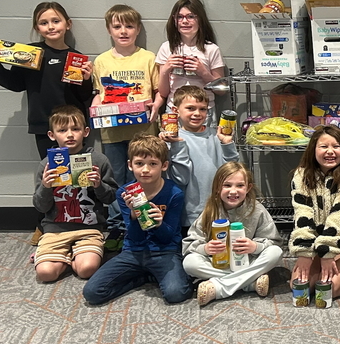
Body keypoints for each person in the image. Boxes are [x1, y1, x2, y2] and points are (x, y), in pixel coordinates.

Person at [82, 135, 192, 305]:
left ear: (164, 166)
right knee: (92, 292)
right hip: (133, 251)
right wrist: (134, 215)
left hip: (164, 251)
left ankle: (150, 273)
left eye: (153, 164)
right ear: (130, 165)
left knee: (176, 294)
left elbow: (168, 237)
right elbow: (135, 237)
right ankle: (142, 278)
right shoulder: (124, 193)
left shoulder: (173, 193)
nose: (145, 170)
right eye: (139, 163)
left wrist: (159, 224)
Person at [92, 4, 162, 249]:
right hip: (111, 133)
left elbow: (157, 92)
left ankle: (145, 223)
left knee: (143, 178)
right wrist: (95, 109)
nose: (123, 31)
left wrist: (155, 105)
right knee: (115, 180)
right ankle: (118, 227)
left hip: (143, 134)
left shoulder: (148, 58)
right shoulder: (100, 61)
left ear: (138, 29)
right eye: (117, 26)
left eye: (129, 26)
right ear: (109, 30)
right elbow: (98, 94)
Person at [0, 1, 94, 159]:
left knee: (78, 171)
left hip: (73, 126)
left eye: (56, 21)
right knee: (53, 174)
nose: (50, 27)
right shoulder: (29, 54)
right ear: (37, 28)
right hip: (44, 125)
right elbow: (15, 84)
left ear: (68, 24)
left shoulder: (76, 58)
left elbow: (84, 96)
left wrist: (86, 79)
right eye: (44, 23)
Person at [32, 106, 116, 283]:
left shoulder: (99, 160)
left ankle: (71, 257)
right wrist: (46, 186)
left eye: (75, 129)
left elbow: (111, 198)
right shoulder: (47, 164)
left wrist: (98, 185)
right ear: (51, 135)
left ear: (86, 132)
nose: (70, 134)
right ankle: (64, 257)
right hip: (55, 230)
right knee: (46, 274)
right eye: (62, 130)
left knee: (87, 270)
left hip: (89, 228)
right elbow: (40, 206)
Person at [182, 162, 283, 306]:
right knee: (189, 263)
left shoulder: (258, 210)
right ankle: (249, 283)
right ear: (217, 188)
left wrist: (255, 247)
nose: (233, 191)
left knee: (276, 252)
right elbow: (190, 243)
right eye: (227, 185)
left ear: (248, 188)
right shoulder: (210, 211)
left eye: (240, 186)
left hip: (248, 262)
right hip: (219, 264)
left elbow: (274, 241)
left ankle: (218, 288)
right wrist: (205, 249)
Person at [288, 126, 340, 301]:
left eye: (336, 146)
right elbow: (302, 213)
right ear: (313, 149)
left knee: (328, 289)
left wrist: (329, 252)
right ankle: (336, 268)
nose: (330, 151)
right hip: (315, 244)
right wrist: (304, 252)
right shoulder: (301, 175)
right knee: (299, 285)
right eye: (324, 146)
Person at [162, 85, 238, 235]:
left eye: (202, 109)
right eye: (190, 108)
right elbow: (180, 178)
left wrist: (227, 143)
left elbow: (232, 172)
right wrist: (177, 144)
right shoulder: (170, 140)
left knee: (220, 253)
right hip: (188, 216)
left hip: (219, 212)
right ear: (176, 110)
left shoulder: (216, 135)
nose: (197, 113)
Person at [155, 0, 225, 110]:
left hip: (203, 111)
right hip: (174, 110)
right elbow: (163, 92)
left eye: (191, 17)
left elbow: (221, 90)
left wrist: (203, 72)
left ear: (200, 19)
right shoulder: (166, 48)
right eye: (179, 17)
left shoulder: (212, 49)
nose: (184, 21)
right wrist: (165, 70)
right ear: (174, 20)